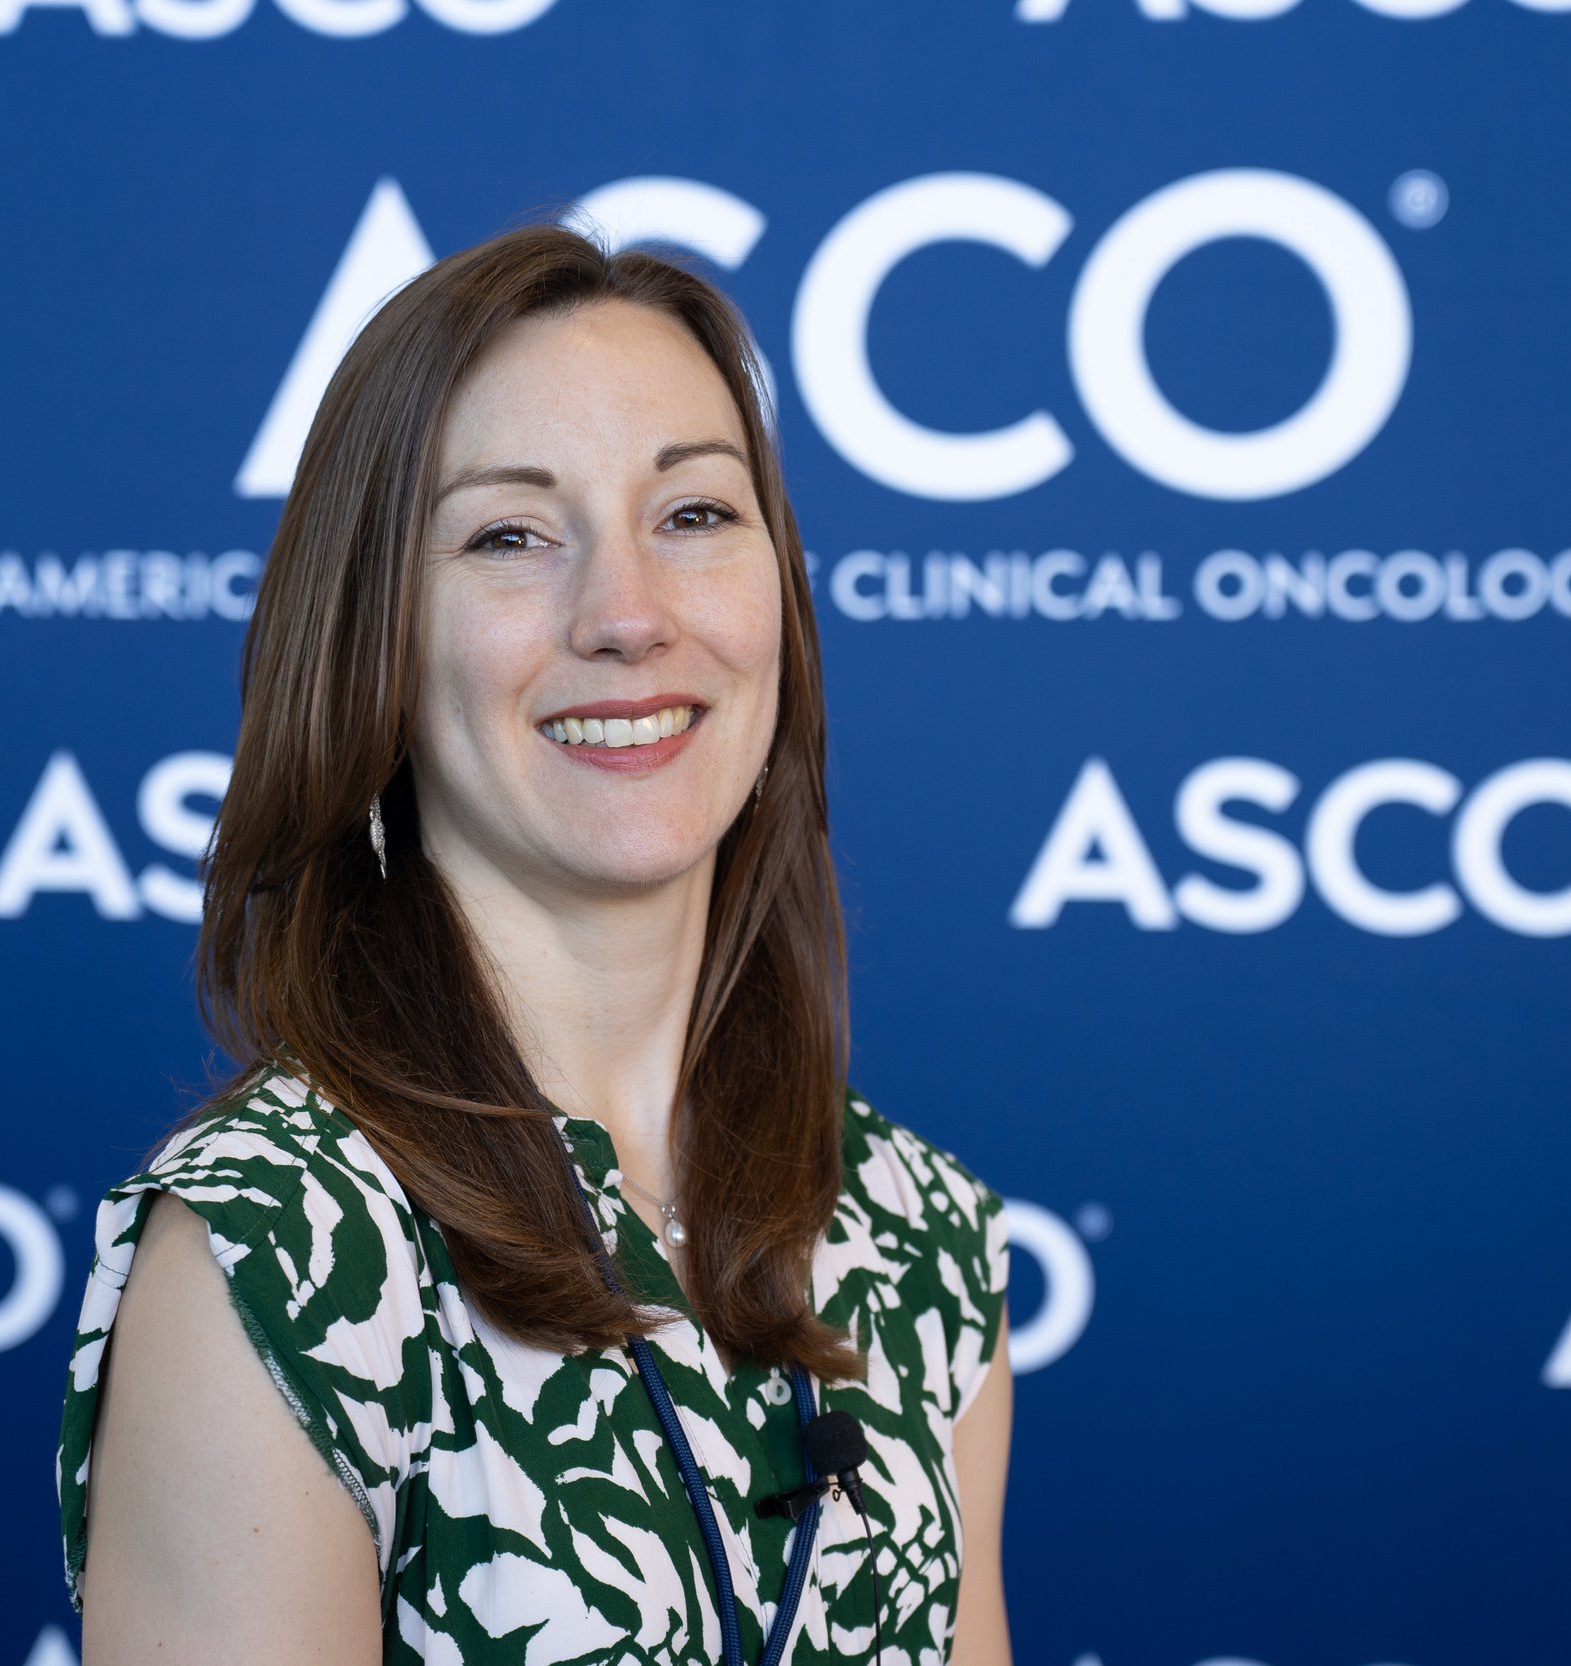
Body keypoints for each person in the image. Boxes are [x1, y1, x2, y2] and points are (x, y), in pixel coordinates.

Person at [54, 221, 1016, 1666]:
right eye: (510, 535)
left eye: (694, 514)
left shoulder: (919, 1229)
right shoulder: (277, 1256)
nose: (627, 615)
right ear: (375, 638)